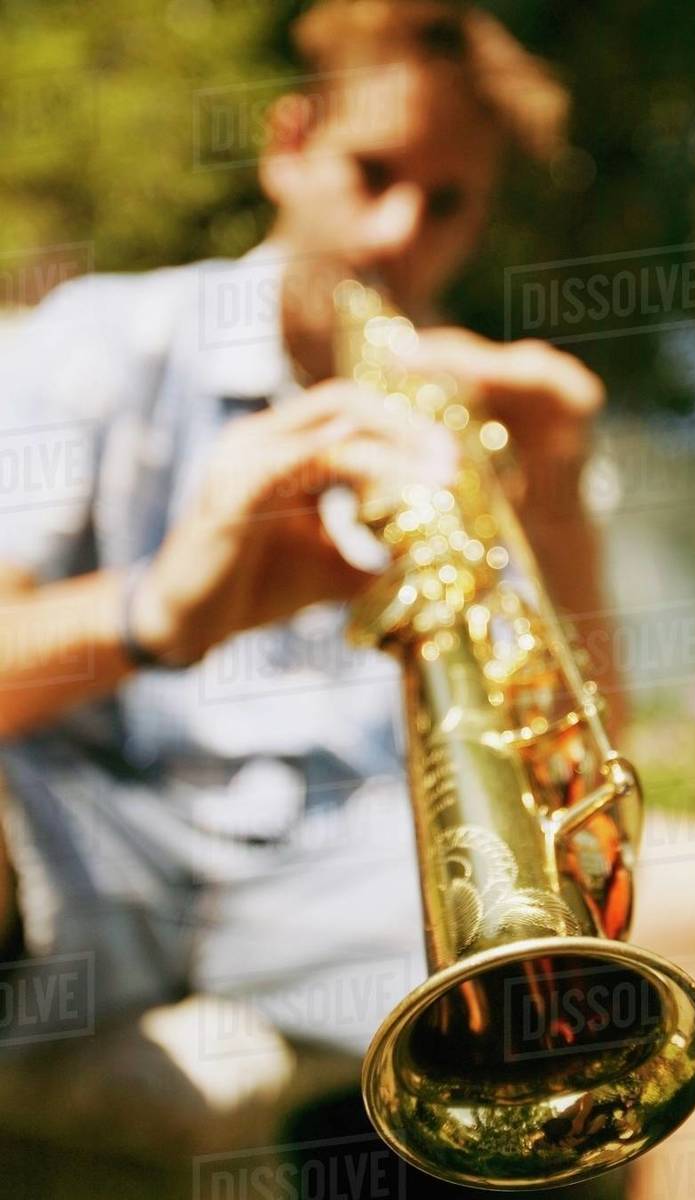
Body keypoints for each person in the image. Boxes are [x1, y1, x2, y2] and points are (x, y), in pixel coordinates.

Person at [0, 0, 615, 1190]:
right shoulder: (100, 334)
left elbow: (587, 797)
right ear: (288, 145)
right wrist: (153, 613)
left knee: (577, 986)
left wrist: (554, 492)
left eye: (448, 202)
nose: (397, 234)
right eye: (372, 172)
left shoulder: (486, 416)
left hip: (336, 872)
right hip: (88, 833)